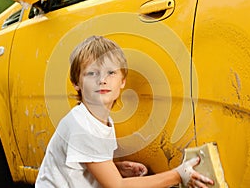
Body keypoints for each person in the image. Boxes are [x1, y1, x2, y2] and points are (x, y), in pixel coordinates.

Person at [35, 35, 214, 188]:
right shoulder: (81, 126)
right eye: (92, 73)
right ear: (76, 83)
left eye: (111, 73)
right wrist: (178, 175)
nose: (102, 80)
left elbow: (87, 165)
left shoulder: (101, 120)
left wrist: (117, 168)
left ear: (122, 82)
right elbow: (118, 186)